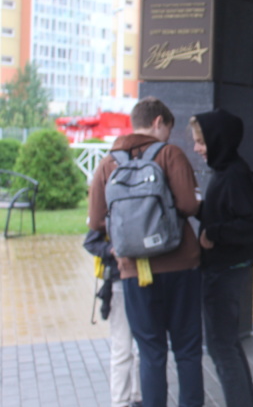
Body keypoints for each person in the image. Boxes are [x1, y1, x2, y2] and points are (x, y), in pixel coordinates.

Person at [88, 96, 203, 407]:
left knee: (151, 353)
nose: (168, 135)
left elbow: (97, 220)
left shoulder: (107, 163)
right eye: (168, 128)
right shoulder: (170, 154)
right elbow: (189, 206)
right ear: (158, 123)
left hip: (134, 271)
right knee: (188, 351)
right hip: (181, 266)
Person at [189, 109, 253, 407]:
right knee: (227, 343)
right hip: (225, 268)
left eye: (201, 141)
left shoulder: (232, 175)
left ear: (217, 139)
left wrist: (214, 231)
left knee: (221, 346)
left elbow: (252, 224)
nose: (197, 148)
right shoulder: (227, 170)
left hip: (223, 271)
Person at [83, 229, 143, 407]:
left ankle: (137, 396)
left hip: (146, 280)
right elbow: (91, 242)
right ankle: (121, 400)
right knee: (123, 346)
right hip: (120, 281)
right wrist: (112, 249)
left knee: (142, 348)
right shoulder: (107, 207)